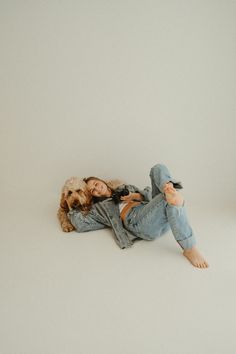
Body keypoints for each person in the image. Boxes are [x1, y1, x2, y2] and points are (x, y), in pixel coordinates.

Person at [67, 163, 209, 269]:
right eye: (93, 191)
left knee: (157, 168)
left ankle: (169, 192)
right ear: (92, 196)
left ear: (102, 180)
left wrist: (135, 195)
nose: (97, 189)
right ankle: (189, 248)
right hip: (139, 223)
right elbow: (80, 224)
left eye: (96, 184)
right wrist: (70, 200)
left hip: (154, 212)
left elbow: (148, 197)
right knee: (167, 198)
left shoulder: (124, 187)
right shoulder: (99, 208)